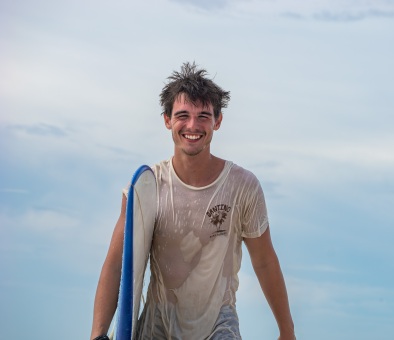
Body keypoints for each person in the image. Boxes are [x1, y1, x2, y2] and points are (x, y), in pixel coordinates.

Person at [90, 62, 295, 340]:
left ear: (218, 121)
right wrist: (98, 334)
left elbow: (265, 261)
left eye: (203, 116)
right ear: (167, 120)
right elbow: (118, 264)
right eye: (182, 115)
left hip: (218, 327)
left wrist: (287, 331)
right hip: (157, 327)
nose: (192, 126)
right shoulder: (145, 190)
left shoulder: (242, 186)